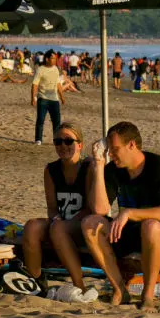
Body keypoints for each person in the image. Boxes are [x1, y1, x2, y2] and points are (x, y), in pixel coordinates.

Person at [82, 121, 160, 311]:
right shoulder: (114, 169)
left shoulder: (159, 167)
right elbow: (100, 209)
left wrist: (129, 213)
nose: (111, 154)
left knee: (150, 226)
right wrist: (99, 165)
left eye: (115, 149)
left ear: (132, 145)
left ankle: (147, 296)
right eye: (110, 150)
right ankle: (120, 289)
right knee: (90, 223)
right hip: (130, 232)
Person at [20, 123, 99, 301]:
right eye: (58, 142)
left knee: (58, 228)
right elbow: (52, 206)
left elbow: (91, 207)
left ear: (80, 144)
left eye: (68, 141)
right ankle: (37, 281)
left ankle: (79, 285)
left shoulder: (88, 169)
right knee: (32, 226)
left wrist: (65, 223)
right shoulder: (51, 170)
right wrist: (56, 219)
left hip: (83, 224)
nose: (63, 146)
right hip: (61, 222)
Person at [31, 49, 64, 146]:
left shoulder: (56, 69)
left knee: (56, 121)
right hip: (43, 98)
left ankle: (56, 139)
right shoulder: (40, 69)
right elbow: (35, 84)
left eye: (55, 58)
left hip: (54, 99)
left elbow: (58, 83)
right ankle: (38, 139)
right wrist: (33, 97)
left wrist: (62, 96)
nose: (54, 60)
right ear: (47, 59)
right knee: (40, 119)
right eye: (53, 58)